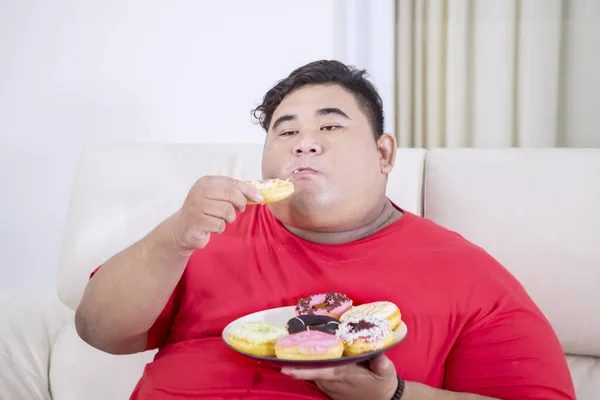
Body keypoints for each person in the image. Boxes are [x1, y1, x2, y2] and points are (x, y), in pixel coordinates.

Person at [75, 60, 576, 400]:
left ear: (384, 153)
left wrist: (394, 394)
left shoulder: (467, 274)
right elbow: (99, 331)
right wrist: (175, 236)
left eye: (330, 127)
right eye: (286, 130)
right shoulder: (204, 232)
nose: (304, 144)